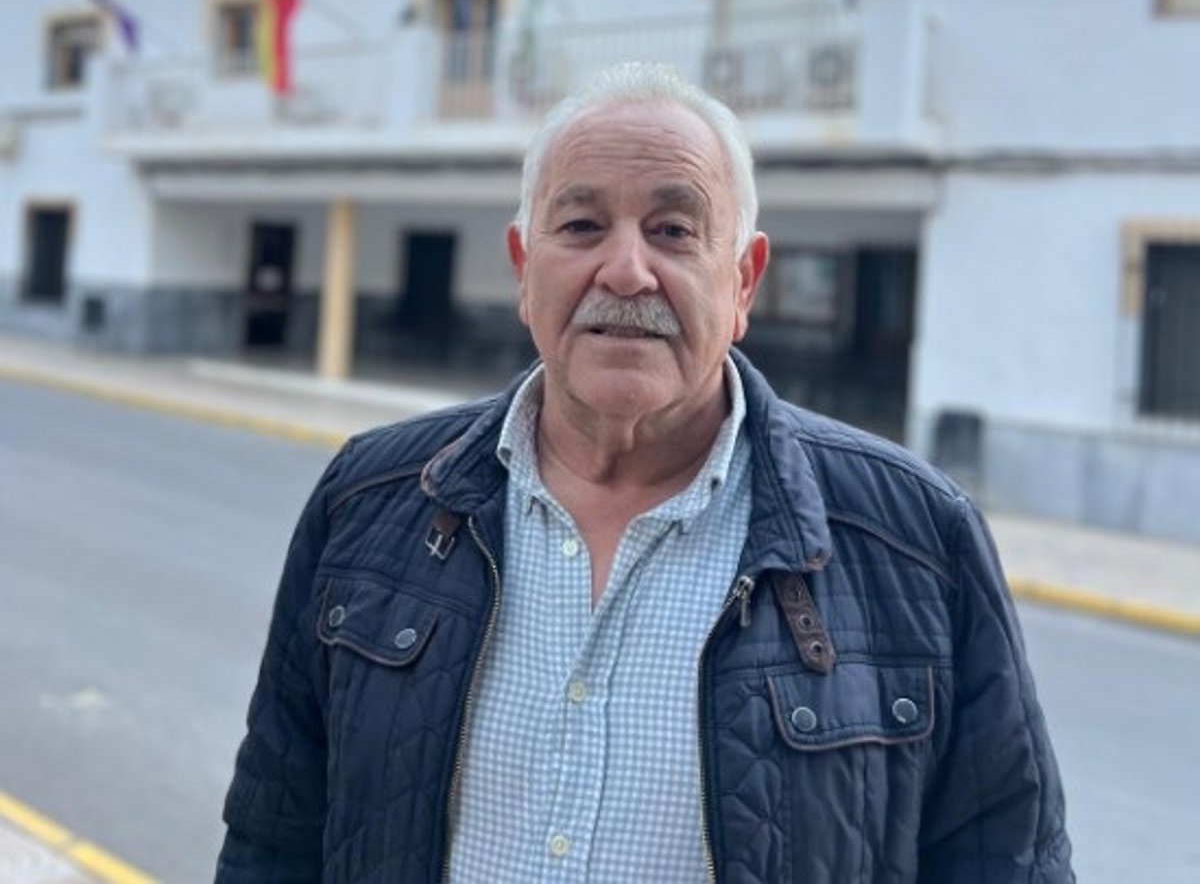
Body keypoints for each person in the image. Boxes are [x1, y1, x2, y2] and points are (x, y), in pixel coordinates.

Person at [216, 62, 1073, 883]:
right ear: (523, 271)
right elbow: (273, 839)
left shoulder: (918, 540)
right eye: (582, 226)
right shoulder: (369, 499)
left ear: (743, 282)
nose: (626, 271)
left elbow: (1008, 862)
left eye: (673, 231)